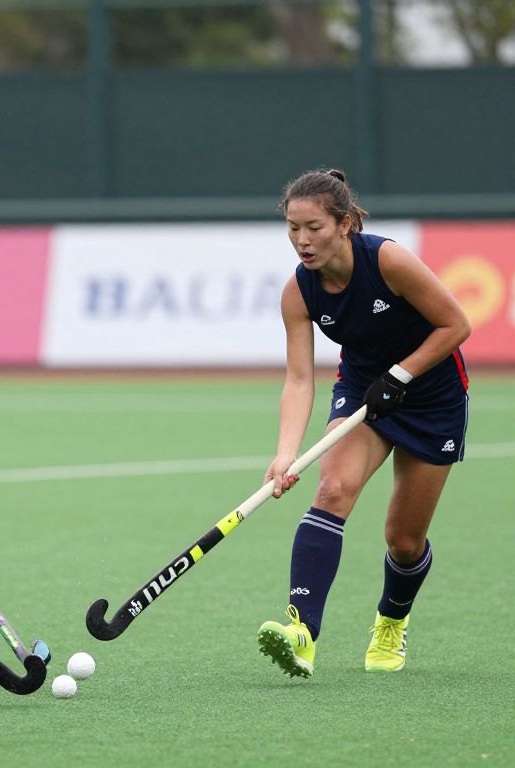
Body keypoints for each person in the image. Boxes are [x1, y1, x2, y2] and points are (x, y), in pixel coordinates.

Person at [256, 168, 471, 678]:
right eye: (292, 228)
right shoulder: (299, 291)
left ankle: (391, 621)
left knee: (403, 539)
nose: (302, 240)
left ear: (346, 223)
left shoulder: (388, 259)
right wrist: (286, 452)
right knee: (332, 489)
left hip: (433, 398)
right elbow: (300, 380)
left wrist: (401, 374)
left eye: (314, 227)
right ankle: (301, 631)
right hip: (363, 394)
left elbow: (456, 324)